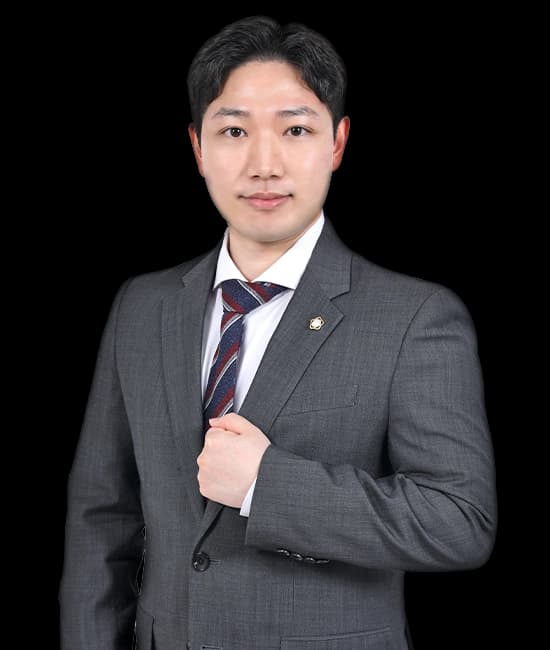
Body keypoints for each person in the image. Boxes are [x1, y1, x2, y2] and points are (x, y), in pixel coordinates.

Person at [59, 15, 498, 650]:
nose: (264, 165)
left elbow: (459, 522)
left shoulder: (415, 318)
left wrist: (268, 485)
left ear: (337, 143)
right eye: (234, 131)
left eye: (295, 129)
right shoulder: (143, 307)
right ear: (198, 148)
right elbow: (101, 516)